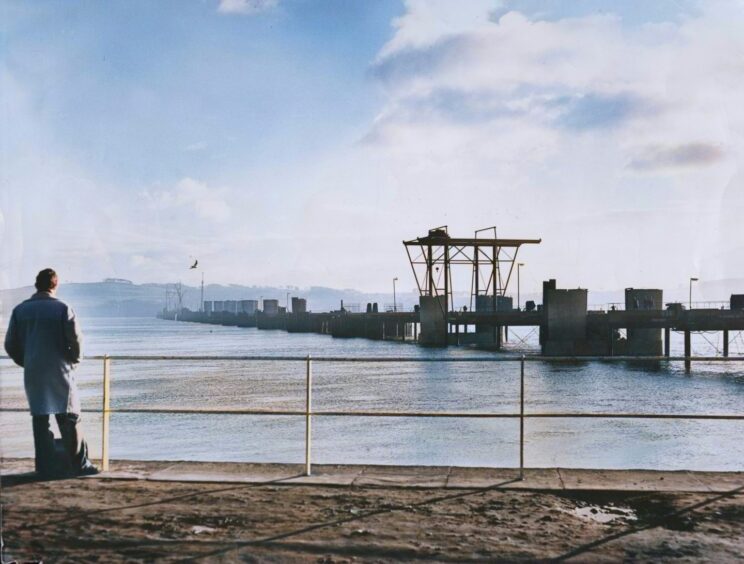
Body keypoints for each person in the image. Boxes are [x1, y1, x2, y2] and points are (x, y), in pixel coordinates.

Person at [4, 268, 99, 477]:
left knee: (40, 417)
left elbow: (10, 344)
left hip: (34, 372)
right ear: (55, 285)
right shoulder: (63, 309)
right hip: (60, 370)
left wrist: (26, 361)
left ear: (36, 284)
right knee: (69, 416)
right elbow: (76, 342)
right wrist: (74, 361)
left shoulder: (21, 311)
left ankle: (45, 466)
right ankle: (79, 465)